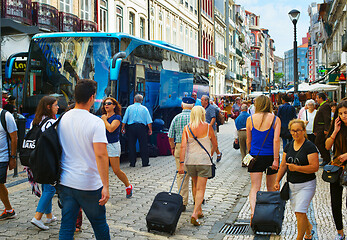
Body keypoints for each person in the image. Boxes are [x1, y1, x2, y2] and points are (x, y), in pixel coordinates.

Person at [57, 79, 110, 239]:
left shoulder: (63, 118)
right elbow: (101, 155)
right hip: (89, 184)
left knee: (67, 225)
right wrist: (105, 186)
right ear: (92, 97)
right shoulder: (95, 122)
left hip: (66, 182)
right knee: (100, 225)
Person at [274, 119, 319, 240]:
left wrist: (297, 168)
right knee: (300, 213)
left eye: (298, 130)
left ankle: (300, 238)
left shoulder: (310, 147)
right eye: (293, 131)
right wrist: (277, 180)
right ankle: (309, 232)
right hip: (292, 185)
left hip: (307, 185)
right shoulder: (288, 146)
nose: (295, 133)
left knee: (300, 211)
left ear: (304, 131)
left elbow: (315, 167)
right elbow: (283, 165)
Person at [179, 106, 217, 226]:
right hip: (203, 162)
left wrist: (181, 164)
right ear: (202, 114)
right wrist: (209, 154)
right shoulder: (208, 127)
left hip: (190, 162)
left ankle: (199, 210)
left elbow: (183, 147)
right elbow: (215, 145)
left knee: (195, 185)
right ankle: (195, 213)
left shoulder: (187, 128)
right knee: (201, 188)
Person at [246, 95, 281, 222]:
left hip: (255, 155)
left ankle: (253, 213)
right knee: (271, 188)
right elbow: (276, 140)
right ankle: (270, 215)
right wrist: (276, 159)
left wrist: (249, 153)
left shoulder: (250, 119)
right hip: (271, 156)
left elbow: (249, 141)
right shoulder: (275, 119)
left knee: (255, 186)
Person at [30, 96, 59, 230]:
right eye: (55, 105)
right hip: (47, 159)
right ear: (49, 107)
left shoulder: (35, 121)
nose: (58, 107)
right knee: (50, 188)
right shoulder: (51, 122)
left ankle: (49, 216)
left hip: (36, 158)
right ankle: (37, 217)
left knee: (45, 186)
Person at [101, 97, 133, 198]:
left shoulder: (117, 118)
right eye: (105, 103)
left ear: (114, 106)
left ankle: (128, 185)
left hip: (113, 145)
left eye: (109, 103)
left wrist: (104, 120)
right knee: (102, 169)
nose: (106, 105)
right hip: (103, 144)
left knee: (116, 170)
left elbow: (110, 129)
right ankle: (103, 190)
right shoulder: (102, 117)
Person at [168, 97, 195, 211]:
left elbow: (170, 135)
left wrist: (173, 147)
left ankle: (183, 202)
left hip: (179, 146)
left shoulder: (176, 118)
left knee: (181, 175)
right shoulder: (195, 119)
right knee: (195, 174)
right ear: (193, 106)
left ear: (182, 106)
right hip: (194, 148)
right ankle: (197, 198)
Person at [325, 100, 347, 240]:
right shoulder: (336, 126)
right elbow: (327, 146)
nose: (344, 116)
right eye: (341, 113)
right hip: (337, 167)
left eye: (346, 113)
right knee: (335, 201)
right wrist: (335, 131)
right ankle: (340, 232)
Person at [121, 94, 152, 167]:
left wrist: (123, 128)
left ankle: (132, 163)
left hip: (131, 127)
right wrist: (150, 129)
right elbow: (149, 121)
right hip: (141, 128)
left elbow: (124, 119)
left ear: (134, 100)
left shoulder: (129, 108)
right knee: (143, 145)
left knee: (131, 145)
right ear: (142, 101)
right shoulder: (144, 108)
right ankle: (145, 162)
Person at [0, 107, 17, 220]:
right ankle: (9, 210)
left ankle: (9, 210)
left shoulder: (6, 116)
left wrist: (13, 157)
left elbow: (14, 138)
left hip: (2, 157)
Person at [201, 95, 222, 162]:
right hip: (204, 129)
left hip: (211, 129)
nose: (201, 101)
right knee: (211, 143)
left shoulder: (211, 108)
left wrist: (209, 126)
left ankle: (210, 156)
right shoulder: (202, 108)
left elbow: (213, 118)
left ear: (206, 101)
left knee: (213, 143)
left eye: (202, 100)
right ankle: (218, 153)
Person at [313, 92, 331, 166]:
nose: (316, 99)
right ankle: (325, 158)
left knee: (319, 143)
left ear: (321, 98)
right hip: (319, 129)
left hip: (322, 129)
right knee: (320, 143)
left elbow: (327, 118)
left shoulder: (325, 106)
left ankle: (326, 158)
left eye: (317, 98)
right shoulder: (321, 106)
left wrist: (326, 129)